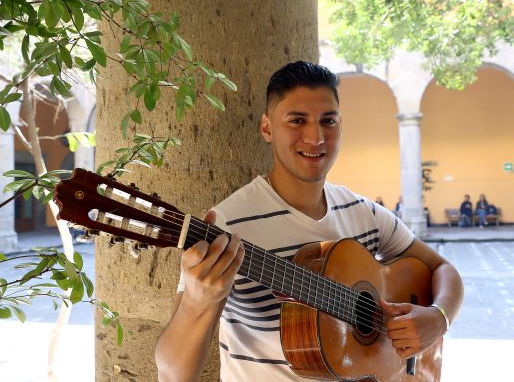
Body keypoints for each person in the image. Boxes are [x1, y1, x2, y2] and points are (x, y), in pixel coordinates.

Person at [154, 61, 464, 381]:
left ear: (341, 126)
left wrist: (438, 318)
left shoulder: (365, 213)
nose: (315, 137)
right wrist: (197, 301)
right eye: (297, 120)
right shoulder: (229, 225)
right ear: (267, 128)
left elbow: (444, 270)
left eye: (327, 120)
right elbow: (173, 374)